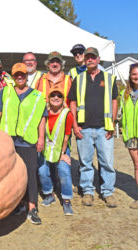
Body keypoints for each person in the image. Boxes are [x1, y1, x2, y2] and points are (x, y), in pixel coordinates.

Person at [0, 63, 47, 225]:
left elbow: (42, 118)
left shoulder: (37, 95)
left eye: (22, 74)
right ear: (13, 76)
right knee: (11, 175)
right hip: (8, 141)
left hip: (28, 142)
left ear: (27, 75)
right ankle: (17, 205)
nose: (20, 77)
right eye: (16, 74)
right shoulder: (6, 91)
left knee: (30, 175)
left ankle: (32, 208)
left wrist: (41, 138)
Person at [68, 47, 118, 208]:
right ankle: (88, 191)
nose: (90, 59)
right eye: (87, 57)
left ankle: (108, 192)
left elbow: (114, 101)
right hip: (84, 128)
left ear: (98, 59)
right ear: (85, 60)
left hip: (105, 129)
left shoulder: (109, 79)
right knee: (85, 163)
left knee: (107, 163)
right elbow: (73, 103)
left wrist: (113, 122)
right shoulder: (79, 79)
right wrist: (75, 125)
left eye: (93, 57)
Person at [38, 85, 74, 215]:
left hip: (61, 149)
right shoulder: (43, 113)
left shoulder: (67, 114)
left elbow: (66, 137)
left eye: (59, 95)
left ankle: (66, 200)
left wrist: (63, 154)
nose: (56, 98)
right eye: (53, 95)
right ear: (48, 98)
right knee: (42, 171)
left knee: (64, 171)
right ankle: (49, 194)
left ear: (63, 98)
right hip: (46, 148)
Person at [120, 63, 138, 209]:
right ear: (130, 76)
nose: (136, 76)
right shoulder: (124, 95)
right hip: (131, 136)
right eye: (134, 74)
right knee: (137, 166)